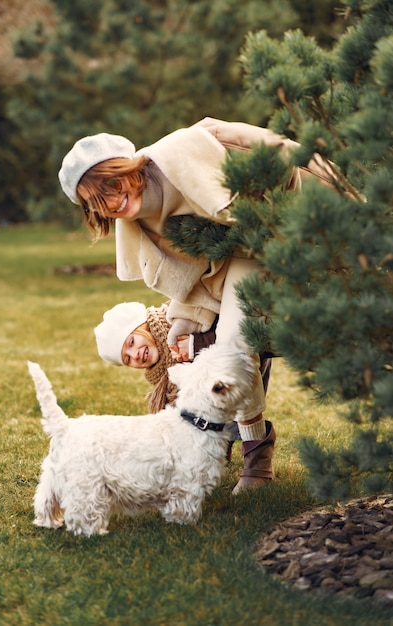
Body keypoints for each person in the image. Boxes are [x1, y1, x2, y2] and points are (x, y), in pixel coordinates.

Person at [59, 117, 332, 493]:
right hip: (235, 260)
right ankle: (208, 444)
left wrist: (284, 220)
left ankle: (256, 449)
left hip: (289, 229)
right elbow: (197, 272)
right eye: (97, 202)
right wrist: (185, 321)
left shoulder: (184, 151)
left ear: (127, 168)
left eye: (113, 185)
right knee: (190, 340)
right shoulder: (141, 223)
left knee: (234, 341)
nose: (113, 202)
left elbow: (281, 155)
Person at [93, 301, 273, 466]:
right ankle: (214, 445)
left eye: (132, 342)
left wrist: (196, 345)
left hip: (240, 361)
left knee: (231, 394)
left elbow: (230, 331)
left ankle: (257, 454)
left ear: (143, 326)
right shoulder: (162, 375)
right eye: (127, 359)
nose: (135, 355)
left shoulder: (181, 316)